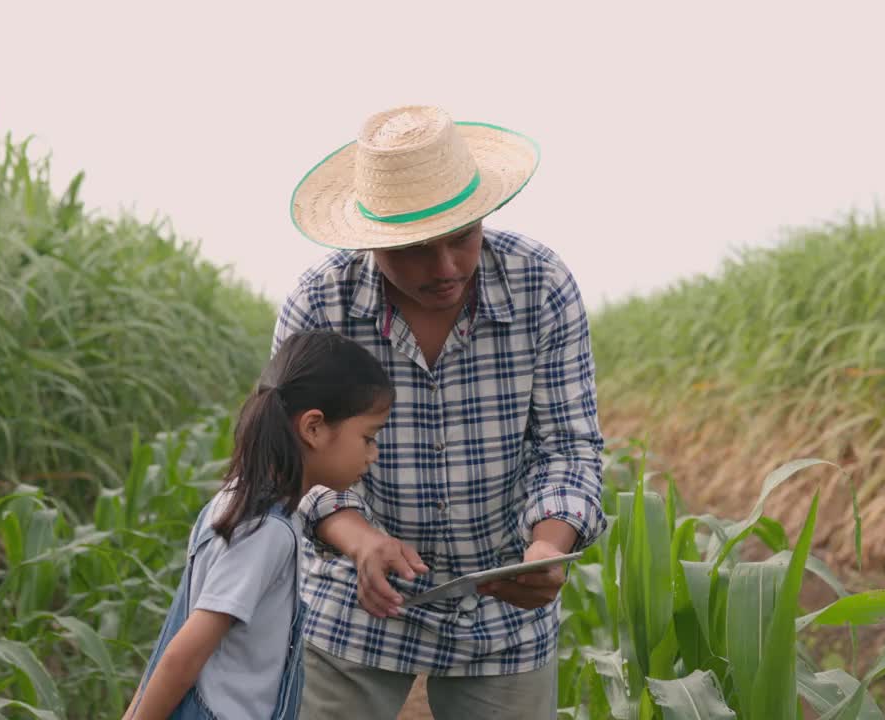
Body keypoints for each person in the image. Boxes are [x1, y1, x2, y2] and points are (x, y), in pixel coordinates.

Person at [276, 105, 606, 719]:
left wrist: (546, 549)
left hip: (503, 611)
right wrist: (361, 540)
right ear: (373, 241)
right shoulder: (322, 304)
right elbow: (295, 462)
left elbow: (568, 445)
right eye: (416, 250)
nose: (447, 268)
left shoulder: (541, 286)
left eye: (462, 237)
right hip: (355, 602)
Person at [123, 330, 395, 720]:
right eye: (368, 437)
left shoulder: (233, 500)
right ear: (314, 428)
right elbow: (185, 653)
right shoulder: (266, 531)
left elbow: (175, 638)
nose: (373, 454)